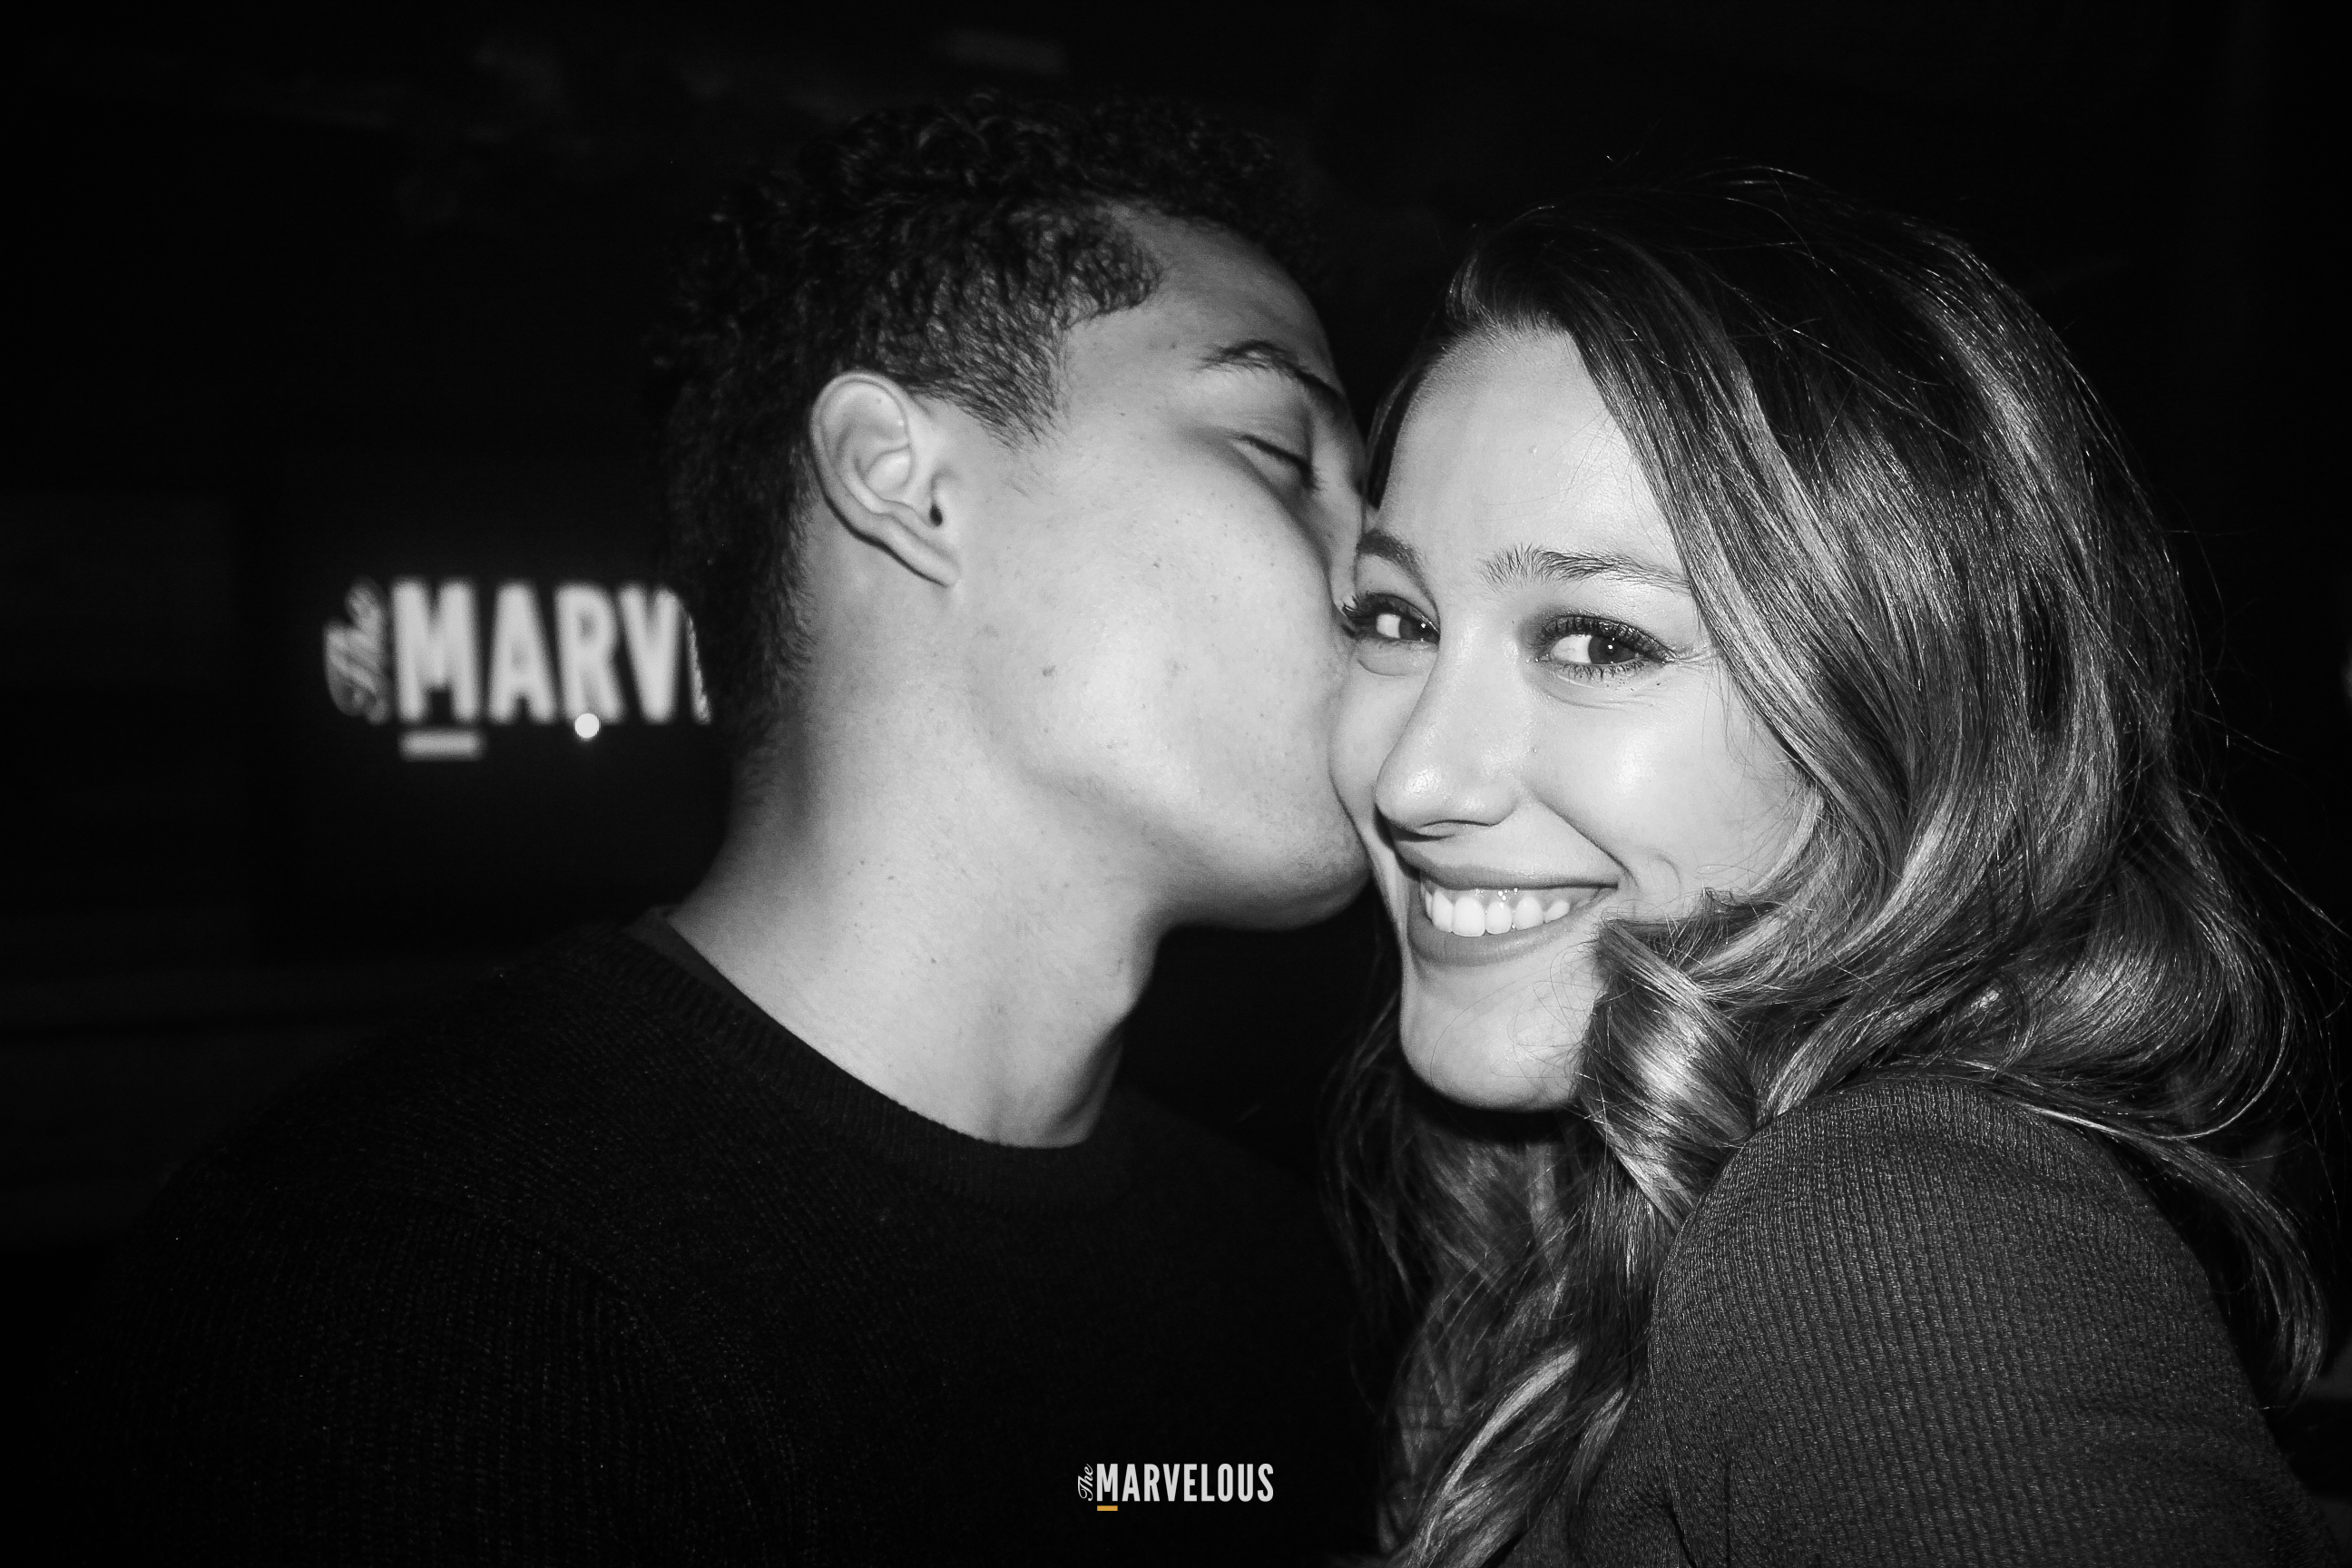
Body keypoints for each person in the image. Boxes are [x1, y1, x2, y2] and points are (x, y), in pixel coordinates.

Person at [66, 93, 1374, 1563]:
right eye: (1282, 451)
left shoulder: (1288, 1282)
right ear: (905, 485)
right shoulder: (405, 1299)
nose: (1389, 580)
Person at [1328, 180, 2337, 1565]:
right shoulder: (1603, 1239)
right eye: (1395, 618)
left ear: (1910, 716)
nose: (1413, 779)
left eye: (1600, 641)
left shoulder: (1893, 1226)